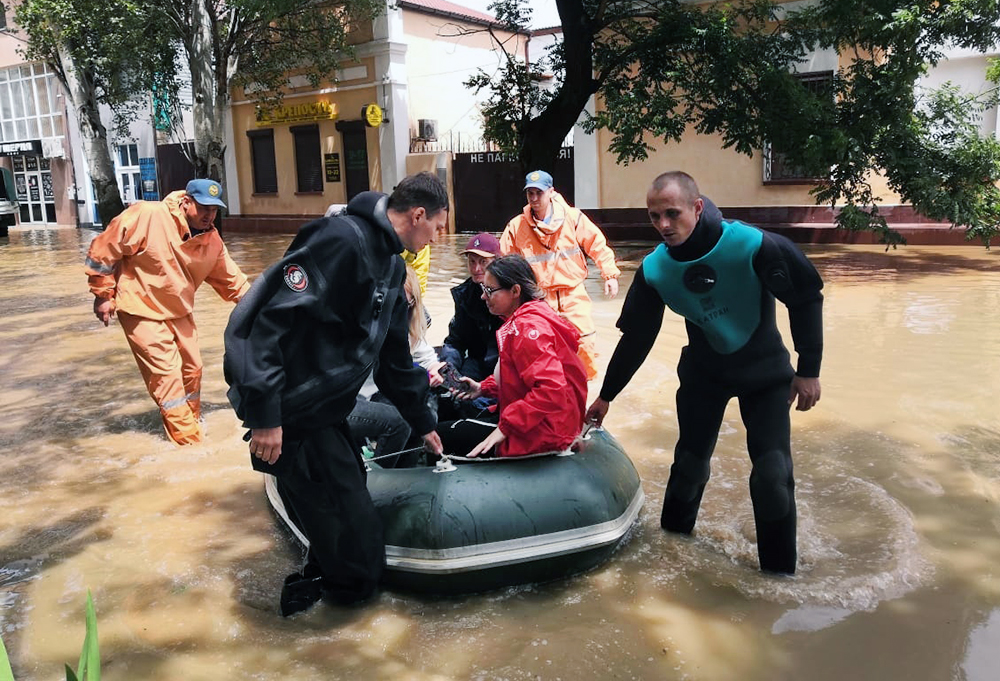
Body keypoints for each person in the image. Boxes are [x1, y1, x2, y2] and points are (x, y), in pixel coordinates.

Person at [224, 171, 448, 616]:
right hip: (292, 415)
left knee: (351, 524)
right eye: (439, 227)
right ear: (418, 215)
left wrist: (423, 423)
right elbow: (267, 325)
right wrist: (268, 417)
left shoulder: (390, 264)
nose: (438, 238)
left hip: (326, 415)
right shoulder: (340, 241)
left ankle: (321, 582)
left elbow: (392, 358)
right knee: (359, 560)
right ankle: (325, 620)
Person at [585, 171, 823, 575]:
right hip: (704, 374)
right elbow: (637, 338)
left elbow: (805, 297)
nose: (663, 225)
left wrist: (808, 370)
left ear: (697, 208)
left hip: (765, 375)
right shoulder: (656, 269)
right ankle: (672, 557)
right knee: (690, 467)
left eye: (672, 214)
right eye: (654, 216)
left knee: (771, 477)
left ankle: (779, 582)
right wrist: (606, 395)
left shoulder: (751, 244)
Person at [84, 179, 249, 445]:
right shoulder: (147, 216)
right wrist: (102, 295)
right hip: (140, 308)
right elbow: (104, 250)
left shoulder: (212, 241)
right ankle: (189, 444)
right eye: (204, 208)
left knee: (192, 369)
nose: (209, 215)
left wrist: (262, 307)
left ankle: (190, 422)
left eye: (215, 210)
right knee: (168, 377)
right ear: (186, 203)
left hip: (178, 309)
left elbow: (233, 282)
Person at [444, 254, 588, 459]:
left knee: (442, 436)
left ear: (515, 291)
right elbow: (520, 375)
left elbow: (552, 389)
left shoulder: (527, 328)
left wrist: (504, 428)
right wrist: (483, 388)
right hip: (548, 424)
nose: (483, 296)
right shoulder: (531, 317)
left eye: (489, 290)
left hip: (544, 433)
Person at [500, 170, 621, 380]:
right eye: (530, 193)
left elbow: (597, 244)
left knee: (584, 343)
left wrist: (609, 274)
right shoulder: (516, 226)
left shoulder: (573, 218)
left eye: (539, 192)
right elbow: (503, 263)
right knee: (539, 348)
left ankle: (586, 392)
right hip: (539, 298)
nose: (535, 198)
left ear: (551, 192)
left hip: (572, 292)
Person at [348, 265, 446, 466]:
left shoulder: (408, 326)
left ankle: (404, 471)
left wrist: (437, 369)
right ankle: (380, 475)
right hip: (349, 401)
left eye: (406, 305)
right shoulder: (361, 326)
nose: (399, 313)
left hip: (376, 397)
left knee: (420, 411)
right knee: (400, 422)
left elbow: (426, 358)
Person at [438, 232, 503, 382]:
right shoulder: (465, 295)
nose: (476, 268)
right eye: (472, 261)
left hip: (504, 364)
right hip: (477, 362)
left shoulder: (510, 293)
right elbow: (456, 340)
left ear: (497, 261)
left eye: (483, 262)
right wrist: (449, 368)